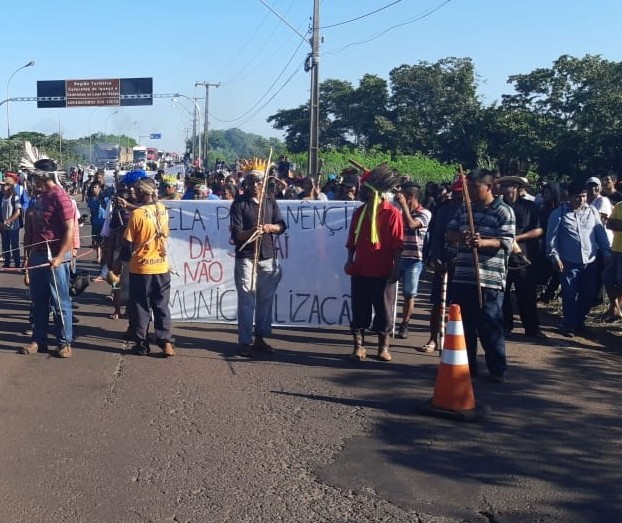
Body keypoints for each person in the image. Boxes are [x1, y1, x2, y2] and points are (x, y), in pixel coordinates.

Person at [446, 169, 515, 383]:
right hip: (462, 276)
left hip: (488, 279)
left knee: (490, 325)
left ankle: (497, 370)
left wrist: (482, 242)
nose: (471, 192)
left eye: (474, 188)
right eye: (469, 188)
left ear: (488, 187)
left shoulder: (504, 211)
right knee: (463, 326)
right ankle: (467, 365)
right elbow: (449, 234)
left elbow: (507, 242)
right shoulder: (465, 210)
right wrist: (461, 236)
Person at [344, 164, 404, 362]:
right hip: (361, 269)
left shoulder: (392, 213)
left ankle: (383, 346)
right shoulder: (359, 212)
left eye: (367, 191)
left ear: (376, 193)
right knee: (359, 308)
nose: (362, 193)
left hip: (383, 271)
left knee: (384, 311)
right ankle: (358, 346)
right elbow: (352, 240)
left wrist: (396, 268)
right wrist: (349, 260)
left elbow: (397, 245)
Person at [230, 169, 286, 357]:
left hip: (268, 256)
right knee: (247, 300)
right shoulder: (239, 204)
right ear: (246, 184)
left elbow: (281, 225)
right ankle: (244, 341)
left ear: (264, 183)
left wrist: (270, 228)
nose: (255, 185)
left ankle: (260, 338)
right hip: (246, 257)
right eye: (252, 182)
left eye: (259, 181)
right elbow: (237, 235)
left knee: (265, 301)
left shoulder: (270, 200)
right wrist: (253, 231)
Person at [21, 159, 74, 358]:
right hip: (37, 256)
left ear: (43, 176)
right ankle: (38, 339)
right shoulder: (37, 198)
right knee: (38, 301)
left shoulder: (61, 196)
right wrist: (27, 258)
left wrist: (60, 257)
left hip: (55, 258)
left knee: (60, 301)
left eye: (34, 176)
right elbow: (30, 230)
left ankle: (64, 342)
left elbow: (70, 228)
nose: (32, 180)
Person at [546, 182, 612, 337]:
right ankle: (569, 325)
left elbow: (600, 233)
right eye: (578, 197)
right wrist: (554, 257)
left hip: (590, 261)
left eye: (584, 196)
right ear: (569, 197)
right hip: (568, 262)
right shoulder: (559, 214)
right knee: (569, 295)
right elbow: (551, 239)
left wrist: (606, 252)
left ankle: (579, 322)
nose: (581, 200)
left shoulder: (593, 212)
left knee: (588, 295)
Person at [120, 177, 175, 357]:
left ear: (142, 192)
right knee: (161, 306)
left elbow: (127, 243)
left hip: (141, 268)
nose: (133, 194)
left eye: (135, 191)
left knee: (141, 308)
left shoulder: (136, 215)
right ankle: (166, 342)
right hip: (161, 267)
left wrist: (120, 264)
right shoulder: (163, 210)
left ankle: (141, 344)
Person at [418, 177, 463, 353]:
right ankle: (433, 339)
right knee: (438, 303)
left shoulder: (474, 211)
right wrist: (435, 257)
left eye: (462, 195)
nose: (458, 199)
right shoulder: (444, 210)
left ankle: (457, 342)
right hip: (444, 260)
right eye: (457, 194)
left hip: (463, 264)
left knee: (461, 306)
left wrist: (459, 258)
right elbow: (435, 235)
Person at [498, 176, 546, 338]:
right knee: (502, 293)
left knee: (526, 293)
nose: (505, 188)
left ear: (516, 187)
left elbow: (539, 230)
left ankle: (532, 328)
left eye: (508, 185)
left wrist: (515, 239)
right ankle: (505, 326)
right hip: (501, 256)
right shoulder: (497, 206)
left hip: (523, 256)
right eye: (503, 185)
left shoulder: (530, 207)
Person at [393, 182, 431, 339]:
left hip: (413, 259)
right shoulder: (398, 211)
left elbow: (412, 224)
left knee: (409, 293)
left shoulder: (425, 213)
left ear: (411, 197)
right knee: (388, 289)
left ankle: (405, 324)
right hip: (396, 257)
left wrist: (403, 208)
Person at [0, 176, 23, 268]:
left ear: (10, 186)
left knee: (14, 245)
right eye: (3, 185)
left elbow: (18, 212)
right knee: (5, 245)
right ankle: (7, 263)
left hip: (13, 226)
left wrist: (9, 220)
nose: (3, 187)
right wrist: (1, 222)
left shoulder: (15, 196)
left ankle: (17, 263)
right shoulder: (1, 196)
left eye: (6, 185)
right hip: (3, 226)